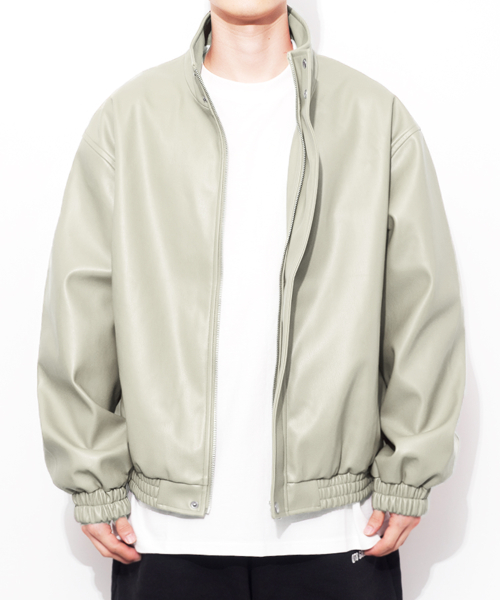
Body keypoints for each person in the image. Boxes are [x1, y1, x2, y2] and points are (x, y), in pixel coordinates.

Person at [36, 2, 466, 599]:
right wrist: (92, 479)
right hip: (162, 536)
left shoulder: (375, 119)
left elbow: (423, 307)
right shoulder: (128, 122)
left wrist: (409, 472)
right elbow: (80, 310)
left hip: (339, 531)